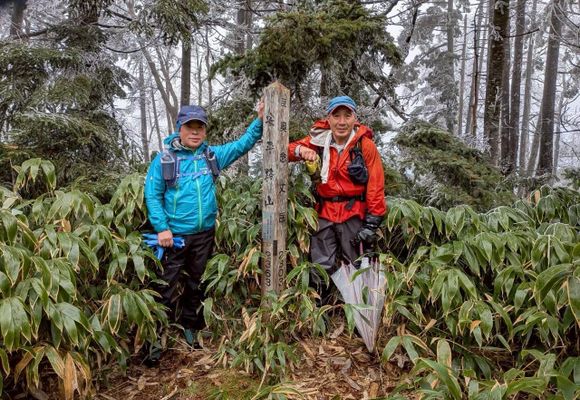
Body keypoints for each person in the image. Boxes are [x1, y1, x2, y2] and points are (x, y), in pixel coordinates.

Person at [144, 102, 264, 358]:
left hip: (204, 235)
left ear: (205, 131)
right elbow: (152, 195)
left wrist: (260, 120)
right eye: (190, 127)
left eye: (200, 127)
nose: (195, 132)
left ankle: (191, 328)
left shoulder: (211, 156)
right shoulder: (164, 160)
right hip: (173, 237)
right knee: (165, 286)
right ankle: (155, 336)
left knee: (197, 284)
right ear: (179, 128)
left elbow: (242, 145)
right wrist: (162, 228)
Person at [288, 95, 386, 276]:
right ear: (328, 119)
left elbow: (376, 185)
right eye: (336, 116)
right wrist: (301, 150)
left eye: (347, 116)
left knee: (358, 268)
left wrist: (371, 225)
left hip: (354, 213)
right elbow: (286, 150)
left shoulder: (365, 145)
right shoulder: (318, 141)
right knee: (320, 268)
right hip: (324, 212)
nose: (342, 122)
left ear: (355, 119)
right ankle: (321, 294)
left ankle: (359, 295)